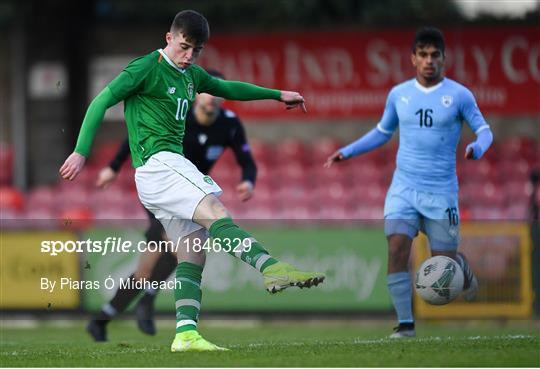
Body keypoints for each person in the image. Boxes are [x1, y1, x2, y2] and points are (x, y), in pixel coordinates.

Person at [60, 10, 325, 352]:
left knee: (193, 250)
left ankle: (185, 334)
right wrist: (81, 151)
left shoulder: (191, 76)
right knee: (215, 210)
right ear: (169, 38)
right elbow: (101, 101)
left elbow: (228, 87)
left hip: (159, 174)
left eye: (195, 50)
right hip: (160, 164)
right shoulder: (145, 68)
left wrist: (277, 94)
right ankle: (272, 268)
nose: (188, 56)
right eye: (184, 46)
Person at [325, 27, 492, 338]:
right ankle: (405, 324)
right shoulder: (399, 94)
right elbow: (382, 132)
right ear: (413, 58)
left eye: (435, 55)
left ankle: (461, 265)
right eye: (423, 55)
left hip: (441, 192)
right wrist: (347, 151)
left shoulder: (459, 95)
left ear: (444, 59)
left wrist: (477, 147)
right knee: (397, 245)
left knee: (444, 264)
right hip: (403, 188)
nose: (429, 61)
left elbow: (485, 130)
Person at [87, 70, 260, 342]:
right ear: (196, 96)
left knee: (148, 268)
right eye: (207, 93)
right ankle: (146, 301)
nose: (212, 99)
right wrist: (112, 167)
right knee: (177, 245)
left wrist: (248, 181)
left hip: (192, 196)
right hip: (161, 188)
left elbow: (247, 160)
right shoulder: (180, 116)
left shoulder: (229, 124)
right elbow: (134, 137)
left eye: (217, 94)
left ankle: (104, 317)